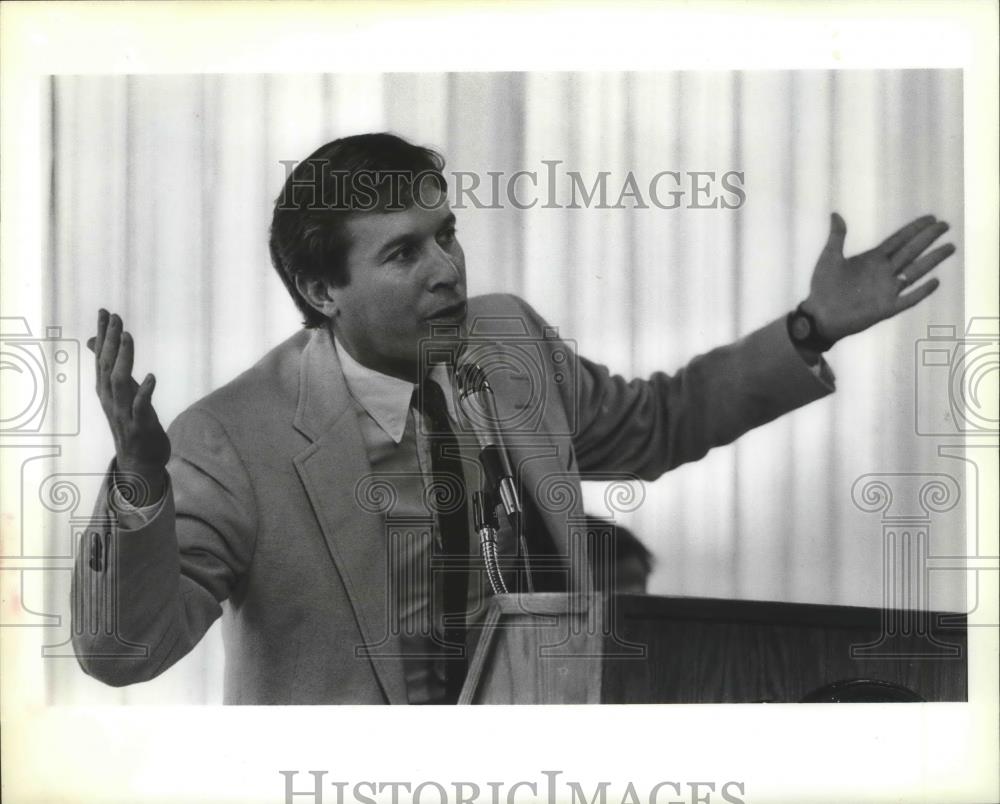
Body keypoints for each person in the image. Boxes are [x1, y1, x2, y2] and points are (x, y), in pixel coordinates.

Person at [72, 132, 954, 705]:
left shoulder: (507, 339)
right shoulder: (237, 434)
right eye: (404, 253)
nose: (448, 269)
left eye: (446, 232)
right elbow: (124, 653)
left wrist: (811, 328)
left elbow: (657, 423)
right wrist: (143, 484)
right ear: (321, 291)